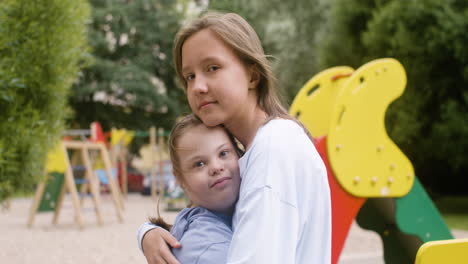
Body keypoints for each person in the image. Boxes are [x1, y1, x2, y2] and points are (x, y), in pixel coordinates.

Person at [137, 12, 331, 264]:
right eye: (190, 76)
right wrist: (148, 233)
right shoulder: (255, 148)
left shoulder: (273, 148)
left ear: (252, 75)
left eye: (212, 68)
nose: (197, 87)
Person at [143, 114, 242, 264]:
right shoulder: (208, 248)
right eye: (199, 164)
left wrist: (145, 232)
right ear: (180, 179)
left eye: (223, 153)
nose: (216, 167)